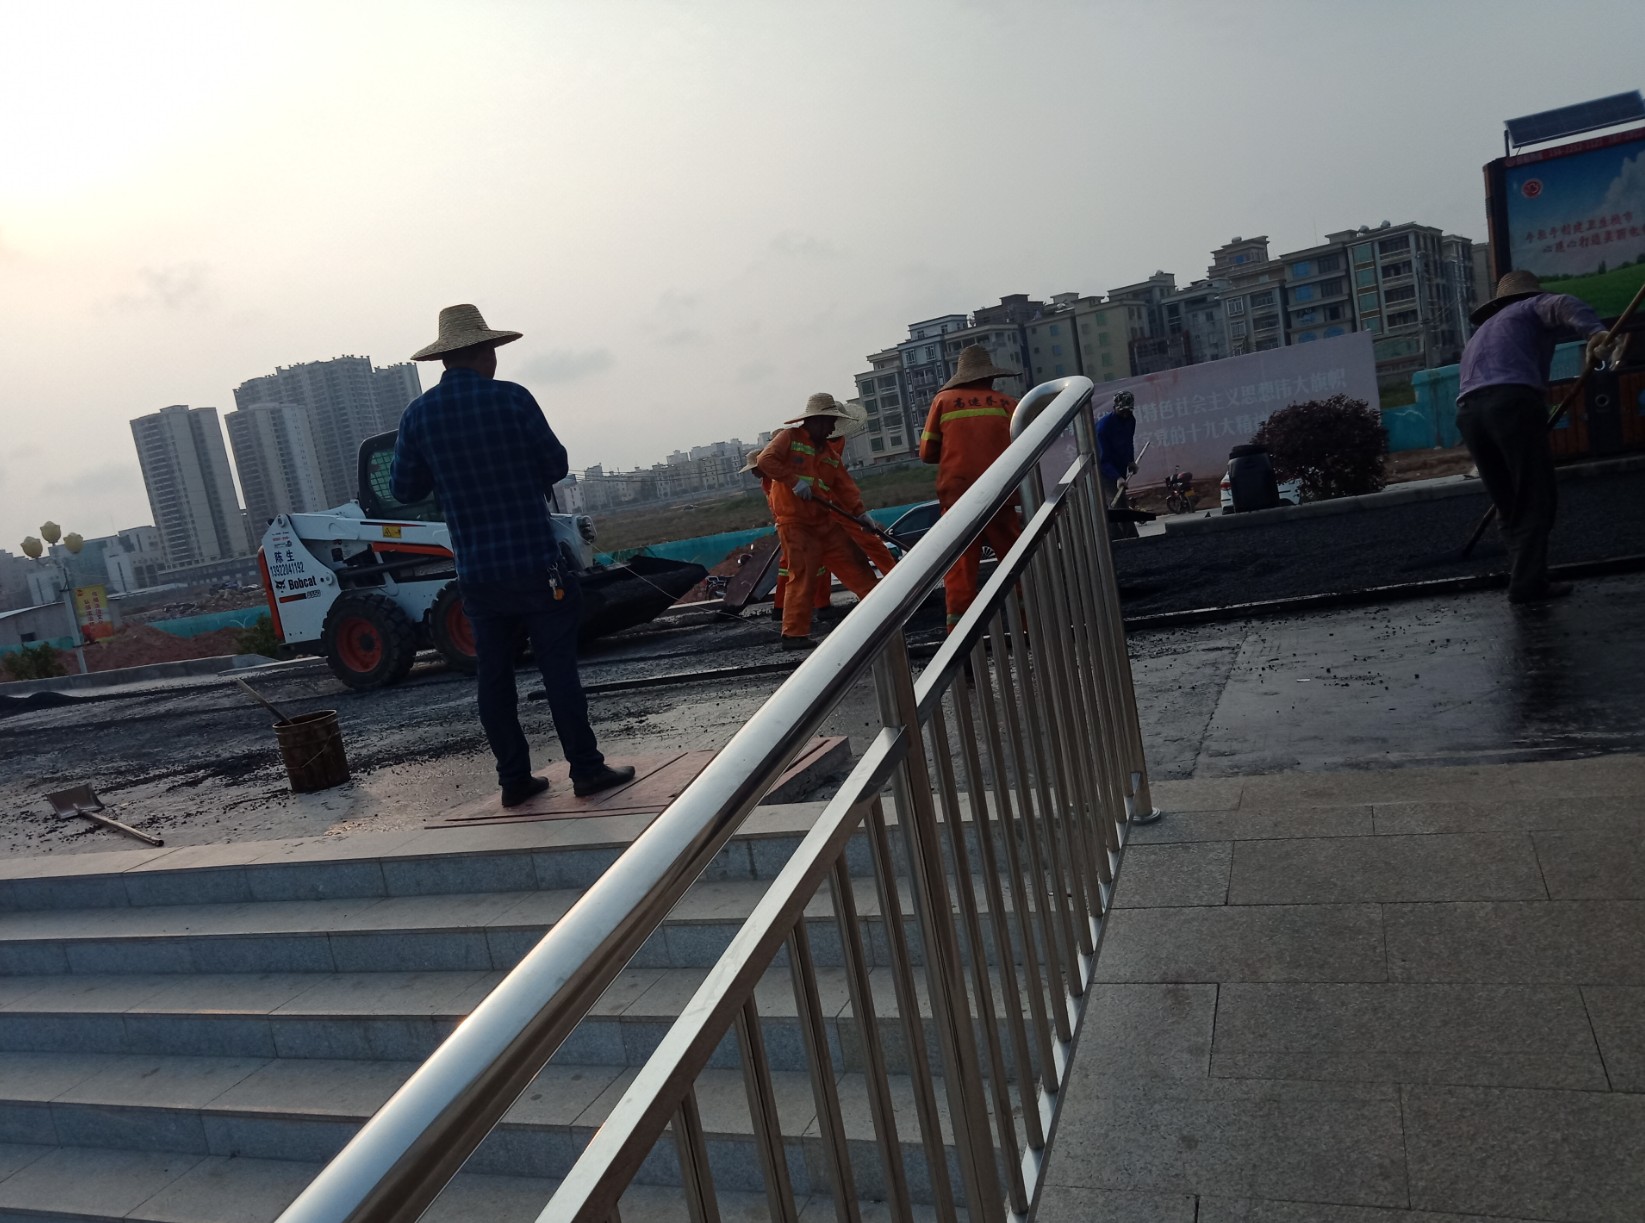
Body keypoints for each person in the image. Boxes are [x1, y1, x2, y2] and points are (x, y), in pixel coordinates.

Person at [391, 304, 635, 807]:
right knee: (558, 670)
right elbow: (555, 464)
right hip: (535, 565)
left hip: (478, 574)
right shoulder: (512, 399)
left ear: (444, 358)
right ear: (485, 351)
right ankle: (586, 770)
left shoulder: (417, 415)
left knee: (494, 677)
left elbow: (404, 488)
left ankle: (514, 781)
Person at [1457, 270, 1621, 604]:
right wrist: (1596, 332)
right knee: (1533, 495)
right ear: (1531, 294)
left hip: (1469, 413)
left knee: (1508, 501)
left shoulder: (1483, 331)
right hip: (1511, 402)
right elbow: (1564, 304)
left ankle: (1525, 574)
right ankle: (1528, 583)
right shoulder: (1532, 306)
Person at [755, 394, 880, 649]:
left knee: (856, 564)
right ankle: (794, 635)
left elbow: (844, 486)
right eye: (830, 421)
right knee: (802, 575)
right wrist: (794, 481)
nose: (833, 428)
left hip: (823, 520)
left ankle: (882, 615)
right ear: (817, 420)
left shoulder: (829, 454)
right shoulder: (788, 438)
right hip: (795, 523)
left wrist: (860, 513)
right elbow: (765, 460)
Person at [919, 344, 1020, 630]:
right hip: (1002, 493)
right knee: (1016, 559)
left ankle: (959, 633)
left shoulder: (943, 401)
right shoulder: (1009, 405)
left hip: (959, 496)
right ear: (991, 376)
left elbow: (927, 453)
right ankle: (1028, 624)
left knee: (960, 567)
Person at [1096, 391, 1139, 537]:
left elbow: (1128, 442)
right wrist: (1117, 477)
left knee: (1118, 503)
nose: (1126, 414)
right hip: (1103, 470)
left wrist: (1130, 461)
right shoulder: (1104, 428)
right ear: (1115, 407)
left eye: (1128, 410)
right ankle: (1125, 537)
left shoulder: (1130, 420)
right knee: (1117, 503)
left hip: (1119, 467)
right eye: (1123, 411)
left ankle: (1121, 537)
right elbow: (1103, 459)